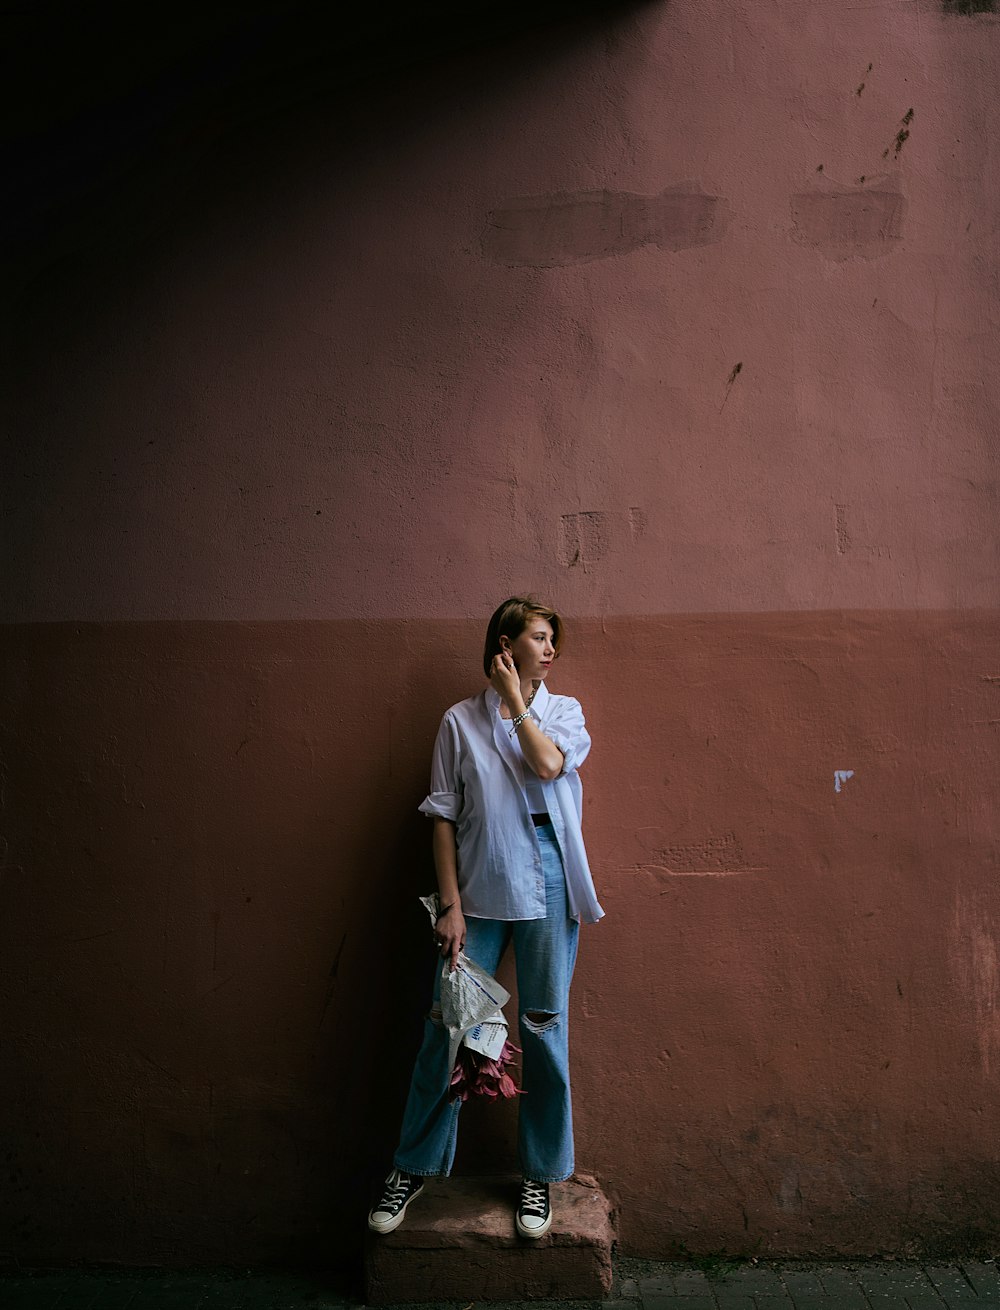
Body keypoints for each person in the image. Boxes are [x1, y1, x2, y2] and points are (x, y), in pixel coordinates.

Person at [368, 597, 604, 1240]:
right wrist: (449, 905)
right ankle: (412, 1166)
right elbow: (442, 815)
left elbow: (548, 765)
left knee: (543, 1027)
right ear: (506, 642)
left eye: (554, 637)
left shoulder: (563, 712)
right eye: (538, 636)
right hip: (478, 885)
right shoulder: (458, 721)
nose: (551, 648)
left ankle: (540, 1174)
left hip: (550, 879)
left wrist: (518, 702)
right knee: (449, 1028)